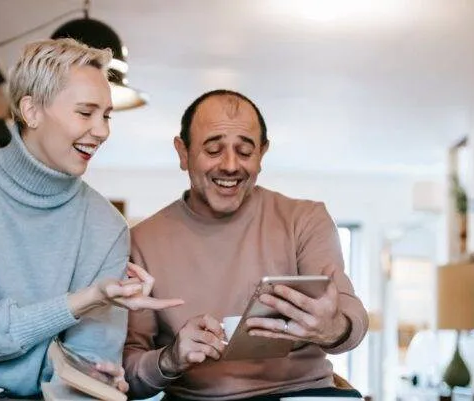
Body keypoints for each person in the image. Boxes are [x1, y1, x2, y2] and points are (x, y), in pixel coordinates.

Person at [0, 38, 182, 397]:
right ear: (31, 111)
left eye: (106, 116)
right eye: (85, 112)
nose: (103, 131)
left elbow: (88, 363)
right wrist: (88, 297)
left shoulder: (106, 226)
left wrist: (97, 378)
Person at [123, 89, 368, 401]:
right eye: (213, 150)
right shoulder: (143, 240)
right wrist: (169, 358)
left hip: (300, 392)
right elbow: (128, 374)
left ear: (262, 154)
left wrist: (332, 327)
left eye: (245, 151)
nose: (230, 165)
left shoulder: (305, 219)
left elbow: (352, 316)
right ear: (182, 152)